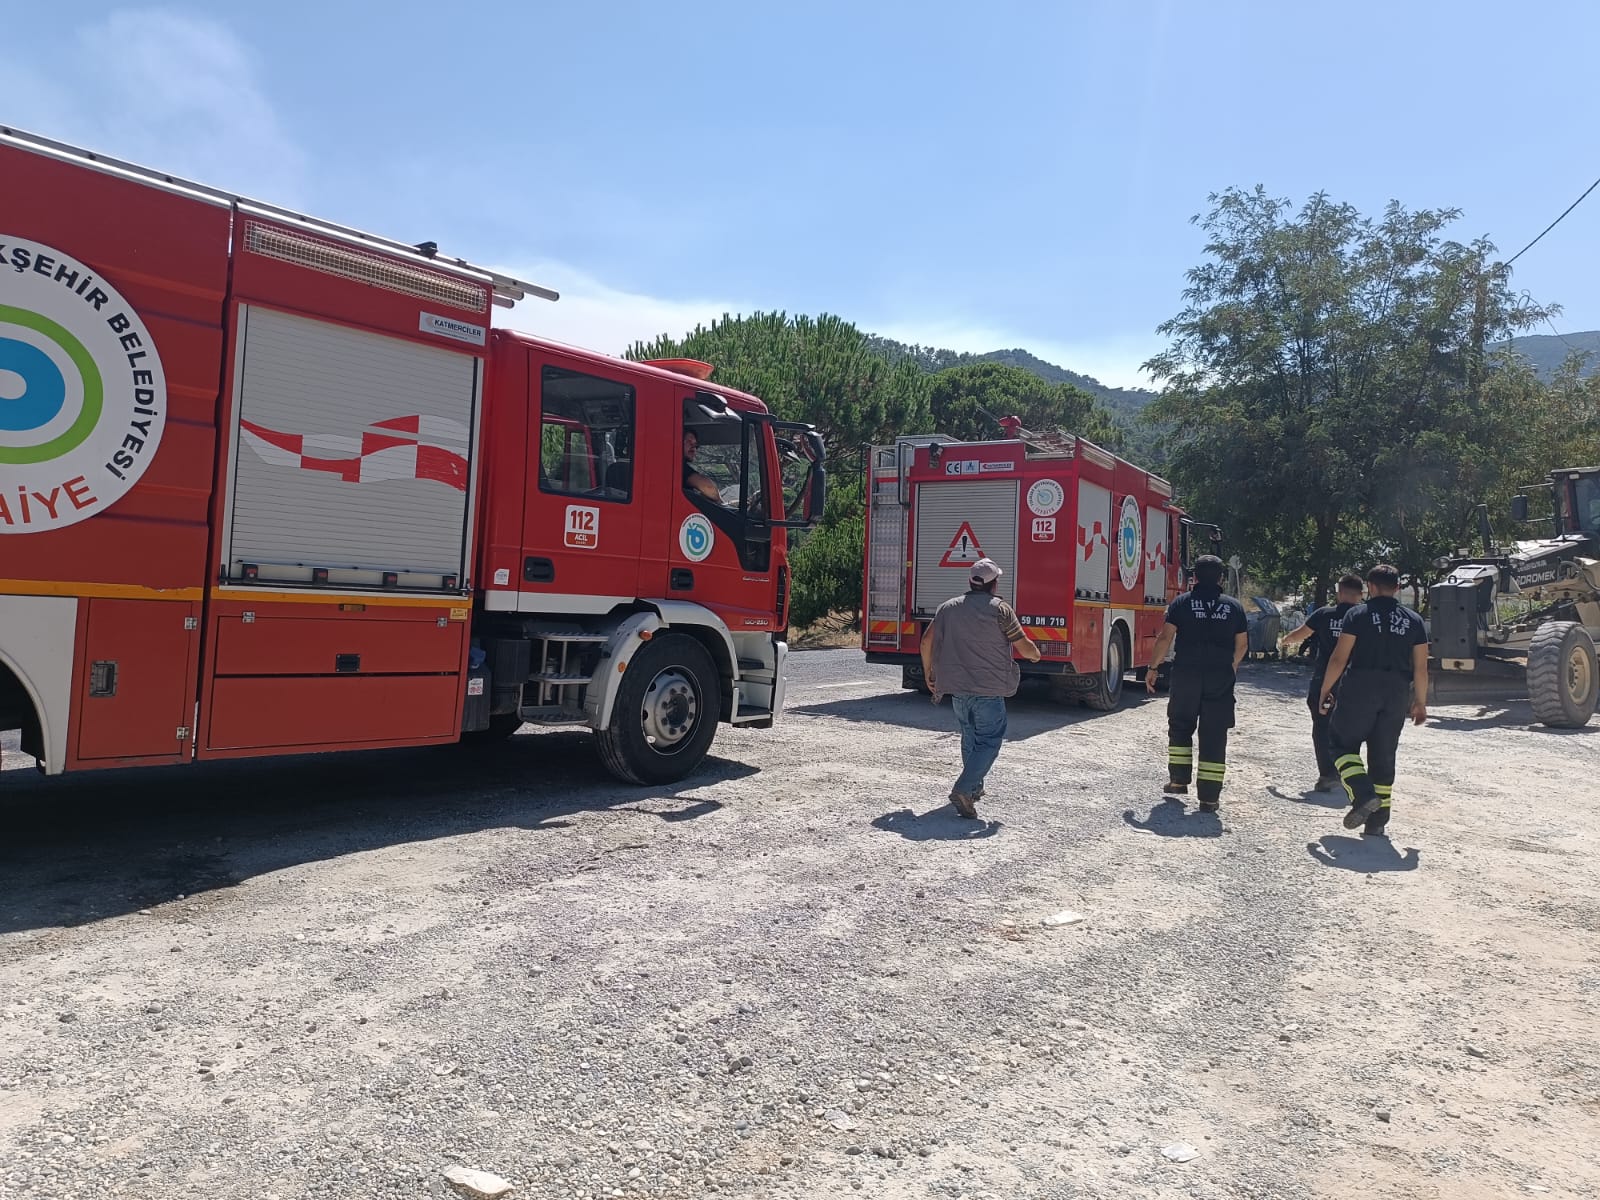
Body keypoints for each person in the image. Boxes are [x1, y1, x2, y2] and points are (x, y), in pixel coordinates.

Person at [920, 557, 1041, 819]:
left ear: (971, 582)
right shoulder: (1000, 610)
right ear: (993, 584)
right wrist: (1035, 655)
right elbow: (1023, 645)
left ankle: (972, 790)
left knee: (970, 739)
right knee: (989, 742)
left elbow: (926, 642)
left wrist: (929, 671)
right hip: (988, 691)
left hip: (958, 692)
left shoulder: (947, 608)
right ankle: (964, 788)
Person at [1317, 564, 1428, 836]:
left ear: (1370, 587)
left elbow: (1339, 657)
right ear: (1398, 589)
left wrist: (1325, 689)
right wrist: (1420, 702)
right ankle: (1377, 823)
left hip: (1360, 688)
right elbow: (1421, 668)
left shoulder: (1358, 614)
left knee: (1340, 745)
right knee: (1383, 754)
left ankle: (1363, 794)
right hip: (1397, 692)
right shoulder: (1414, 620)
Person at [1144, 554, 1248, 813]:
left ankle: (1178, 781)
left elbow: (1165, 637)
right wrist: (1230, 668)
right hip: (1220, 678)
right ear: (1221, 578)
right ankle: (1209, 798)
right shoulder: (1233, 607)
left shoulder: (1182, 603)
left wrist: (1153, 667)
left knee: (1180, 724)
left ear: (1195, 577)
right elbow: (1242, 644)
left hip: (1186, 675)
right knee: (1214, 734)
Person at [1280, 573, 1365, 791]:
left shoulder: (1324, 614)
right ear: (1360, 595)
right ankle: (1349, 774)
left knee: (1321, 726)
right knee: (1351, 728)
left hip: (1324, 680)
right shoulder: (1364, 617)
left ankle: (1327, 774)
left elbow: (1301, 634)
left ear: (1339, 593)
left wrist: (1286, 640)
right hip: (1356, 682)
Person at [682, 430, 721, 502]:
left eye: (695, 444)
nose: (693, 447)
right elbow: (710, 489)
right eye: (689, 442)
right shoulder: (680, 469)